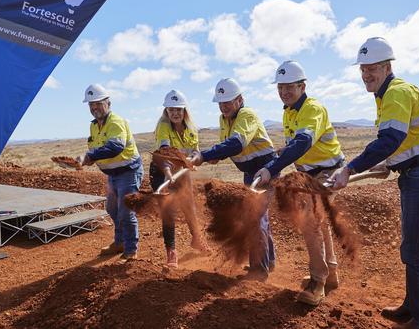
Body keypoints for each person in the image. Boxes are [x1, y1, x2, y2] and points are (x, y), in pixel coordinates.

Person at [329, 37, 419, 329]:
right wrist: (391, 162)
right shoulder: (390, 94)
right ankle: (412, 307)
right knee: (412, 247)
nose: (366, 75)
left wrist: (350, 169)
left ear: (387, 67)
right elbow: (405, 140)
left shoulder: (395, 93)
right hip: (417, 173)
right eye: (362, 69)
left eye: (372, 68)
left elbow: (390, 139)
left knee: (417, 251)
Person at [254, 60, 344, 306]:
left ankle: (318, 282)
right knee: (319, 221)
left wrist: (273, 167)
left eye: (289, 87)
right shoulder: (289, 111)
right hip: (308, 173)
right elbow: (296, 144)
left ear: (302, 86)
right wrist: (282, 157)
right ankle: (331, 273)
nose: (284, 92)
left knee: (310, 220)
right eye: (280, 87)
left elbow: (303, 141)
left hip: (327, 172)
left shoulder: (312, 109)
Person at [190, 78, 277, 281]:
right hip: (249, 171)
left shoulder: (247, 115)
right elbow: (227, 145)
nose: (223, 106)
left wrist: (205, 155)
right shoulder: (224, 119)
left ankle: (259, 270)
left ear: (240, 99)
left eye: (227, 102)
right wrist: (214, 156)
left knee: (255, 217)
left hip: (265, 168)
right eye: (220, 103)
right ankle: (267, 262)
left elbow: (237, 143)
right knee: (259, 218)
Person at [81, 84, 144, 261]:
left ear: (108, 103)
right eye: (91, 104)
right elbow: (98, 149)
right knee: (111, 208)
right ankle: (120, 242)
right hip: (113, 174)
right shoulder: (94, 126)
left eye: (98, 103)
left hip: (128, 171)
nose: (94, 108)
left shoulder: (116, 122)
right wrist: (88, 160)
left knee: (126, 210)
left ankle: (131, 250)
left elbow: (116, 146)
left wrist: (90, 155)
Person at [149, 89, 208, 268]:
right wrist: (168, 172)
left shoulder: (191, 129)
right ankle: (171, 252)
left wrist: (195, 158)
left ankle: (197, 240)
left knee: (189, 206)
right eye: (171, 109)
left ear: (184, 111)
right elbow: (164, 152)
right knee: (169, 211)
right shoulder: (163, 126)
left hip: (180, 171)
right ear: (166, 111)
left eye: (178, 109)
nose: (175, 113)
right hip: (161, 171)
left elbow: (195, 150)